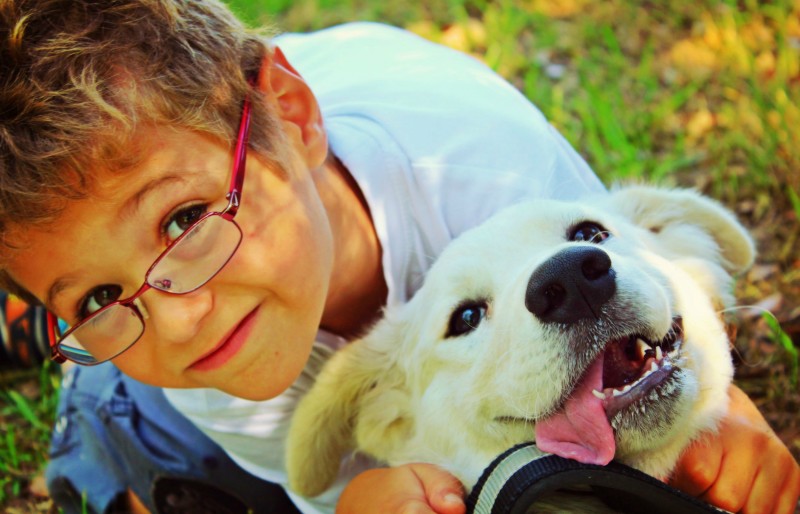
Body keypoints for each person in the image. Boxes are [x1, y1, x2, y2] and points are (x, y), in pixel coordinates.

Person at [0, 2, 798, 513]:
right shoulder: (206, 367)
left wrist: (713, 406)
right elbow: (311, 477)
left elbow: (653, 291)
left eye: (182, 220)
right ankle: (66, 355)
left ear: (292, 117)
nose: (176, 316)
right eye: (97, 294)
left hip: (358, 117)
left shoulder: (499, 182)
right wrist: (356, 502)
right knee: (143, 442)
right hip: (193, 365)